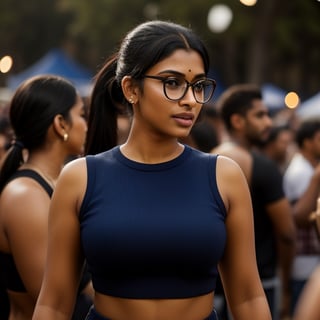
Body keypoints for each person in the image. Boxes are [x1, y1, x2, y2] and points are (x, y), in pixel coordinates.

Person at [32, 20, 271, 320]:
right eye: (172, 83)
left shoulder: (224, 176)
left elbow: (248, 296)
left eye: (198, 85)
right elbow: (53, 303)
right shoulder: (80, 178)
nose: (190, 100)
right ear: (131, 88)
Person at [0, 75, 91, 320]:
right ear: (61, 124)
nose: (86, 124)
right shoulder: (24, 196)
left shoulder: (63, 179)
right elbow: (53, 301)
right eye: (82, 114)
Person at [212, 84, 296, 320]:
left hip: (213, 289)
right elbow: (287, 233)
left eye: (268, 114)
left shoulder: (209, 160)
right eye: (260, 115)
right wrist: (287, 286)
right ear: (237, 121)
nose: (268, 123)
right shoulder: (262, 167)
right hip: (258, 286)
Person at [282, 118, 320, 315]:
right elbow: (301, 217)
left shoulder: (308, 168)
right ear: (307, 142)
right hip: (305, 263)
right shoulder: (301, 172)